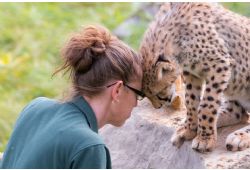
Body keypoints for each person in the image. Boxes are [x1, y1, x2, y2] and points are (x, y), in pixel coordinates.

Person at [1, 25, 144, 168]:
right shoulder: (89, 147)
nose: (136, 104)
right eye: (138, 94)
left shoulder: (36, 107)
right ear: (117, 90)